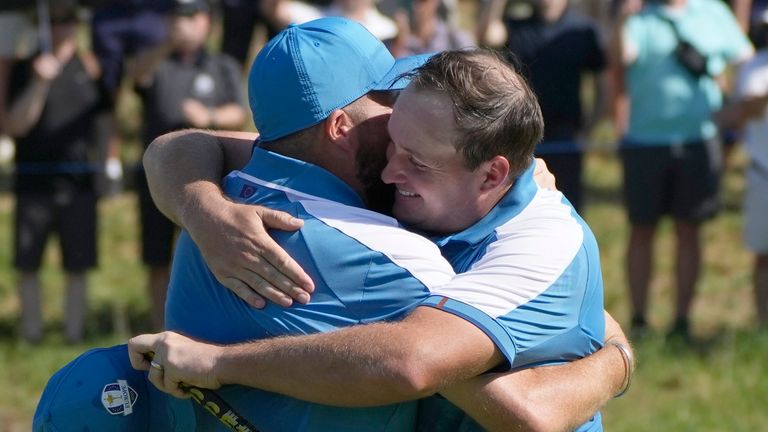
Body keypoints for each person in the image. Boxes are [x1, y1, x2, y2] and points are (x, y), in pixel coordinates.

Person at [129, 17, 621, 431]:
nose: (397, 123)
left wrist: (200, 209)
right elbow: (432, 370)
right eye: (387, 101)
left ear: (492, 173)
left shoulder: (241, 183)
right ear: (340, 127)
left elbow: (178, 143)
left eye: (418, 156)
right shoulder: (381, 252)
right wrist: (615, 352)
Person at [613, 0, 753, 338]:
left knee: (689, 231)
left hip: (699, 141)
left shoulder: (713, 12)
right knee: (641, 230)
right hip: (645, 141)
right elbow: (621, 58)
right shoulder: (638, 16)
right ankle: (640, 320)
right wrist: (619, 20)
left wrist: (735, 104)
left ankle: (681, 321)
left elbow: (745, 57)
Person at [131, 0, 247, 329]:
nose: (184, 24)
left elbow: (238, 112)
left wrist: (207, 117)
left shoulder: (221, 64)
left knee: (206, 253)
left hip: (207, 179)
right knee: (156, 258)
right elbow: (136, 77)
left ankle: (204, 327)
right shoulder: (158, 62)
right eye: (176, 17)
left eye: (191, 16)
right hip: (155, 177)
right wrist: (167, 42)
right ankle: (159, 325)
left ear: (206, 21)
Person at [5, 3, 111, 344]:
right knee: (28, 263)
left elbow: (106, 121)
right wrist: (38, 83)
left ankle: (74, 335)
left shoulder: (92, 67)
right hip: (32, 180)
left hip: (78, 181)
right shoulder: (25, 67)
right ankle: (31, 335)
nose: (62, 27)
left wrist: (108, 164)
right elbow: (14, 125)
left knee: (78, 264)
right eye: (54, 20)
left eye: (68, 20)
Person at [477, 0, 608, 212]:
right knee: (518, 210)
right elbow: (488, 36)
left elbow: (603, 84)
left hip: (566, 137)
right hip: (520, 138)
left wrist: (590, 128)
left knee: (566, 209)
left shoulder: (583, 30)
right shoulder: (517, 25)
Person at [730, 12, 768, 327]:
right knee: (763, 254)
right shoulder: (754, 68)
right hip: (762, 173)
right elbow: (743, 111)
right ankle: (762, 324)